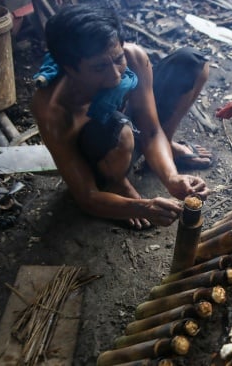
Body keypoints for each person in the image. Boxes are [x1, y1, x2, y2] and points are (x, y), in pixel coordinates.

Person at [31, 5, 213, 229]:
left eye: (118, 59)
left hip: (131, 128)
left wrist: (171, 178)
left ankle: (165, 149)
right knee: (119, 130)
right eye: (99, 68)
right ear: (70, 68)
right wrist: (141, 207)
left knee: (193, 64)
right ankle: (115, 181)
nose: (116, 76)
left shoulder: (132, 57)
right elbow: (86, 196)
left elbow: (151, 131)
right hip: (100, 149)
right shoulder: (53, 110)